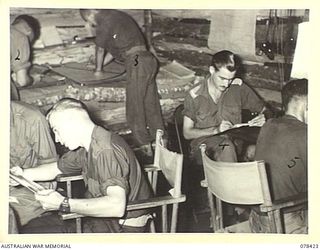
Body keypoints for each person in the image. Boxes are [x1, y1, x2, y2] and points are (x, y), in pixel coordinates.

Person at [11, 98, 153, 233]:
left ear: (72, 122)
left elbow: (116, 206)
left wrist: (63, 203)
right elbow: (57, 168)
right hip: (101, 218)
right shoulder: (87, 144)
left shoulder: (105, 150)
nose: (57, 139)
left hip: (121, 227)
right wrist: (22, 173)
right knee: (31, 227)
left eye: (56, 130)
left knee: (28, 235)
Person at [79, 9, 165, 152]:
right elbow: (115, 52)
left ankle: (144, 144)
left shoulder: (103, 21)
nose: (92, 25)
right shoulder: (116, 16)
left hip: (137, 62)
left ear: (90, 15)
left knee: (134, 104)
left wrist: (98, 70)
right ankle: (162, 140)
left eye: (89, 22)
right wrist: (99, 65)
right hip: (148, 60)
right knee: (151, 103)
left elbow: (100, 50)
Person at [182, 50, 266, 165]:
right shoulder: (195, 95)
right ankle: (232, 182)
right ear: (212, 70)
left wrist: (264, 117)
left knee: (263, 148)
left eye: (230, 79)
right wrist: (216, 130)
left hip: (235, 140)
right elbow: (187, 133)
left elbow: (265, 110)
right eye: (222, 78)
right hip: (204, 146)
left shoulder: (238, 87)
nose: (226, 84)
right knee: (226, 146)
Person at [250, 78, 308, 234]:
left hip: (258, 219)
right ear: (307, 105)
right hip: (284, 223)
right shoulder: (305, 133)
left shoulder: (268, 125)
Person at [9, 101, 58, 231]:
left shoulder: (32, 119)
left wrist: (23, 175)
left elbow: (51, 168)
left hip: (29, 191)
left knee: (7, 215)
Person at [10, 15, 40, 100]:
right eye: (31, 41)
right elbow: (22, 81)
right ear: (29, 31)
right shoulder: (21, 37)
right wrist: (33, 79)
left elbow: (15, 58)